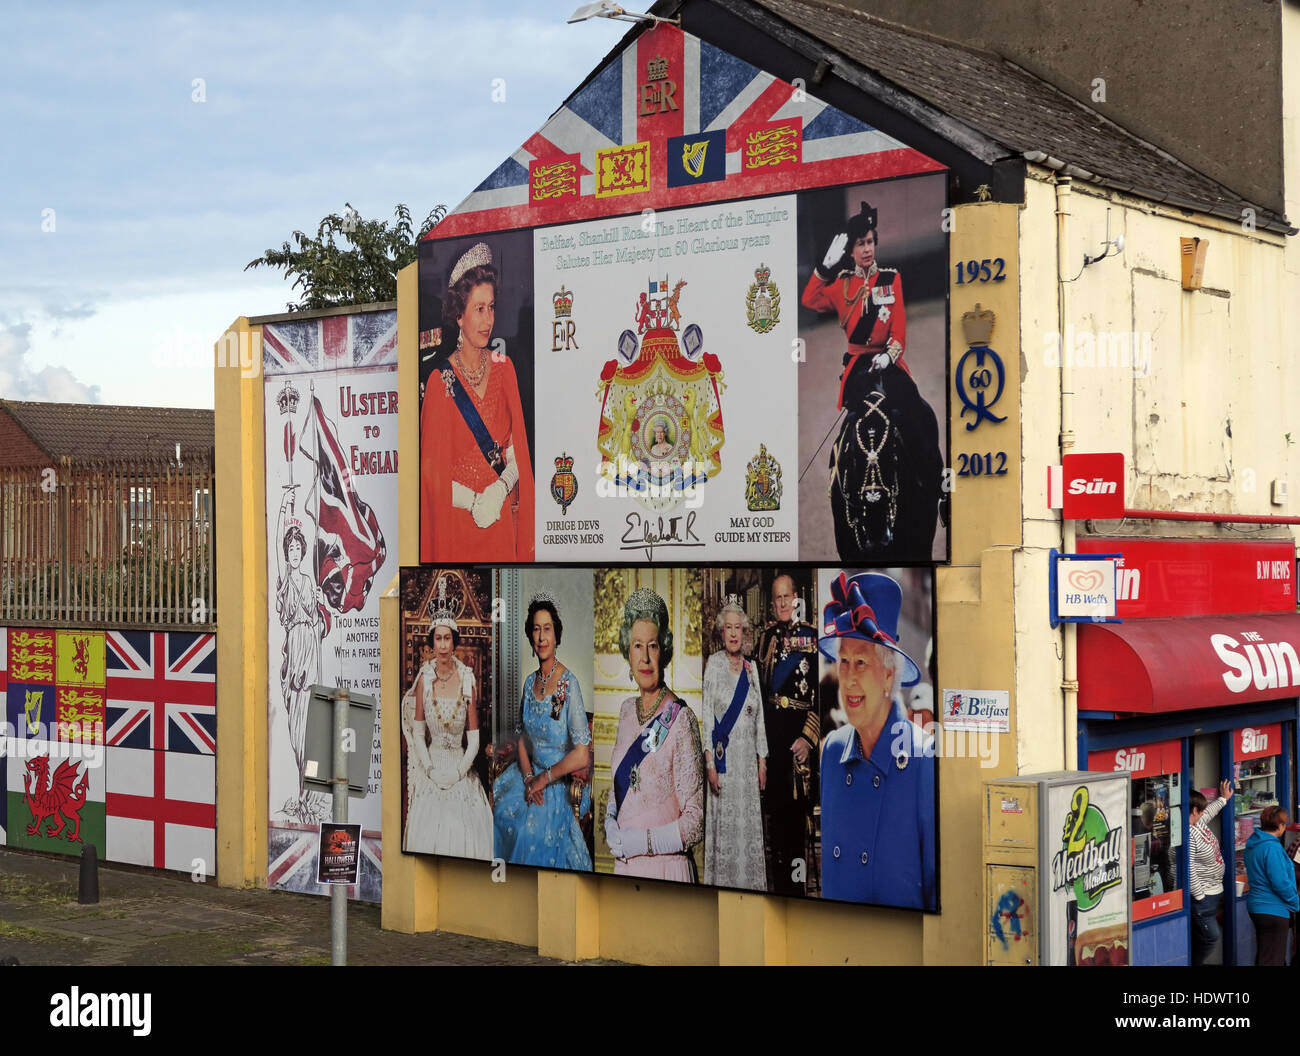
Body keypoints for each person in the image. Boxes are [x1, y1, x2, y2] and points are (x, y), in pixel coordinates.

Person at [801, 201, 943, 562]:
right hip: (858, 370)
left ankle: (940, 494)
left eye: (870, 242)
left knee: (920, 415)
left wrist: (889, 355)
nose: (867, 249)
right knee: (847, 434)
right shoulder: (841, 285)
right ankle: (840, 493)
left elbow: (899, 332)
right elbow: (809, 299)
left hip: (890, 364)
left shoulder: (890, 279)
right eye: (860, 244)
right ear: (850, 251)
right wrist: (823, 267)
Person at [818, 571, 935, 909]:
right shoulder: (833, 752)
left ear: (888, 674)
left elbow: (933, 891)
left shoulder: (922, 758)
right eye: (842, 662)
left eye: (860, 662)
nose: (849, 678)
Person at [420, 242, 535, 562]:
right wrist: (473, 501)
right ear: (459, 315)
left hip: (500, 520)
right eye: (479, 309)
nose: (488, 320)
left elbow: (517, 452)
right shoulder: (439, 382)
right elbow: (432, 476)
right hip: (458, 526)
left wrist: (498, 491)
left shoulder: (505, 368)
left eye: (492, 307)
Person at [604, 587, 704, 882]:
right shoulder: (625, 711)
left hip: (666, 870)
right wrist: (610, 818)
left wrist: (642, 842)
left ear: (665, 650)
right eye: (637, 645)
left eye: (653, 645)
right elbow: (620, 786)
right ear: (627, 650)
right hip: (625, 866)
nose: (645, 658)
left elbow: (696, 822)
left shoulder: (681, 719)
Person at [493, 593, 593, 870]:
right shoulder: (529, 683)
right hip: (527, 775)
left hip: (556, 783)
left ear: (556, 635)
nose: (541, 636)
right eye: (536, 629)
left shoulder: (568, 685)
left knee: (531, 833)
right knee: (498, 813)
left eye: (547, 628)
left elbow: (582, 755)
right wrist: (527, 778)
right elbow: (523, 739)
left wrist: (543, 780)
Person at [400, 603, 493, 860]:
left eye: (447, 639)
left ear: (454, 642)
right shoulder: (424, 680)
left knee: (463, 830)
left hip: (459, 768)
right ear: (432, 643)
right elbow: (418, 734)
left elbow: (474, 740)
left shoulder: (467, 679)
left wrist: (457, 772)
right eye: (438, 639)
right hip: (432, 767)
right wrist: (429, 770)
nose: (442, 645)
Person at [755, 573, 818, 896]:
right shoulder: (765, 639)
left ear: (796, 598)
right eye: (777, 598)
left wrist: (808, 738)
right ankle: (780, 889)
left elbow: (823, 694)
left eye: (786, 597)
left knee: (796, 825)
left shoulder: (812, 638)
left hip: (797, 742)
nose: (781, 603)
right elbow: (758, 693)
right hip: (772, 742)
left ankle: (796, 892)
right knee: (775, 824)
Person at [702, 596, 768, 891]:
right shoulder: (713, 666)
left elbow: (760, 719)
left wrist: (762, 760)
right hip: (723, 765)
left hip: (747, 770)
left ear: (744, 633)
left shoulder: (752, 670)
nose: (732, 633)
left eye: (737, 628)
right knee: (725, 837)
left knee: (747, 836)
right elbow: (706, 717)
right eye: (728, 627)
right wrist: (709, 765)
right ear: (721, 631)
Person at [274, 492, 326, 820]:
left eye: (298, 549)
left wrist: (319, 604)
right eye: (290, 548)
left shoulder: (309, 581)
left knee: (310, 728)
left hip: (310, 648)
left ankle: (310, 793)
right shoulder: (285, 584)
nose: (294, 553)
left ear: (303, 552)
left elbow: (319, 625)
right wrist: (283, 509)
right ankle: (302, 787)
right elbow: (278, 556)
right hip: (294, 650)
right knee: (296, 731)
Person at [1244, 805, 1299, 965]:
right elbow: (1280, 882)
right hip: (1273, 909)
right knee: (1272, 959)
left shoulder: (1254, 843)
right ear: (1280, 826)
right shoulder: (1272, 847)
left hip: (1258, 906)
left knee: (1267, 955)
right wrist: (1294, 902)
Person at [1188, 781, 1233, 965]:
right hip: (1203, 897)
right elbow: (1188, 868)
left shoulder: (1198, 823)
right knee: (1211, 937)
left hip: (1213, 893)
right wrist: (1200, 896)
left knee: (1201, 936)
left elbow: (1209, 812)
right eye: (1200, 810)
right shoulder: (1188, 833)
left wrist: (1223, 799)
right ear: (1193, 811)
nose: (1203, 814)